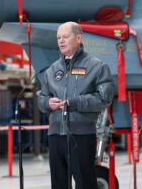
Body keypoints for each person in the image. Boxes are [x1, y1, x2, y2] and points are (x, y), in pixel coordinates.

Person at [38, 21, 114, 189]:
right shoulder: (52, 70)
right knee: (58, 184)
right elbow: (42, 98)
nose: (61, 41)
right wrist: (47, 103)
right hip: (56, 136)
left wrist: (76, 102)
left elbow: (105, 98)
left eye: (65, 37)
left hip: (81, 136)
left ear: (78, 38)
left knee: (85, 183)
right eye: (58, 37)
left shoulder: (97, 67)